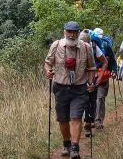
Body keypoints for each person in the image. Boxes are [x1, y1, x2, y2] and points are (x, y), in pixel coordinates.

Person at [45, 21, 96, 158]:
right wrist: (48, 71)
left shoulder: (86, 48)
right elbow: (48, 62)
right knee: (63, 119)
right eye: (69, 32)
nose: (72, 35)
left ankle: (75, 148)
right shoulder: (56, 46)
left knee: (76, 117)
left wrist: (91, 82)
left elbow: (91, 68)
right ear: (64, 32)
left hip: (79, 89)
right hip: (60, 87)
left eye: (75, 32)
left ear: (79, 33)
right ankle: (66, 143)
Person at [79, 29, 108, 137]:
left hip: (93, 78)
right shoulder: (75, 47)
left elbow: (105, 62)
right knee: (83, 102)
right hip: (80, 79)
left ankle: (87, 124)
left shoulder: (95, 48)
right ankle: (84, 123)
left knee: (91, 102)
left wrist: (100, 77)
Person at [92, 28, 117, 130]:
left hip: (103, 75)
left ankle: (98, 121)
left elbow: (111, 60)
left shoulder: (106, 46)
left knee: (100, 98)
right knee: (92, 99)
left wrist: (114, 71)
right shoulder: (89, 45)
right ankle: (92, 119)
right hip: (91, 76)